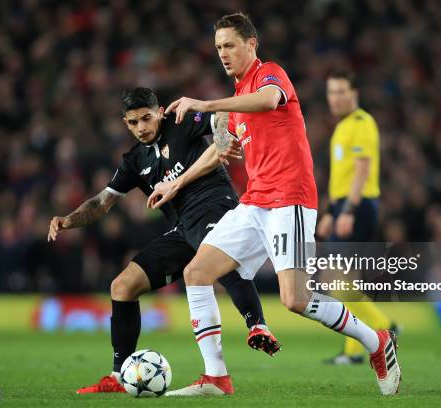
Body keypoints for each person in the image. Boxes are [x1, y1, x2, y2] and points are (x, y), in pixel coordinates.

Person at [159, 13, 401, 396]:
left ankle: (377, 342)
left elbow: (269, 101)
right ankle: (216, 377)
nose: (223, 53)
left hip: (290, 197)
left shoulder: (270, 74)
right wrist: (177, 183)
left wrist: (206, 103)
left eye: (230, 45)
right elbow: (219, 151)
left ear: (251, 44)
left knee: (295, 299)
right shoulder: (236, 101)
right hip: (254, 201)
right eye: (218, 47)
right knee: (197, 273)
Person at [48, 87, 280, 394]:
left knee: (216, 260)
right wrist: (67, 220)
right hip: (182, 228)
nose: (141, 127)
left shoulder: (182, 121)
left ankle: (257, 325)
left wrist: (222, 143)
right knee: (122, 286)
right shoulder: (134, 160)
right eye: (133, 122)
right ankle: (120, 376)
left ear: (159, 112)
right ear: (125, 123)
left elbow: (224, 117)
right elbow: (103, 202)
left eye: (146, 118)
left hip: (215, 206)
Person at [316, 70, 396, 365]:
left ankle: (380, 327)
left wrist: (347, 210)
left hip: (359, 206)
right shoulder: (343, 127)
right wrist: (330, 211)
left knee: (336, 277)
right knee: (342, 280)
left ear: (355, 94)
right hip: (344, 206)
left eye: (340, 92)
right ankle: (364, 342)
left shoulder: (362, 122)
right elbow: (342, 176)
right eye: (331, 92)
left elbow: (361, 170)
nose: (334, 98)